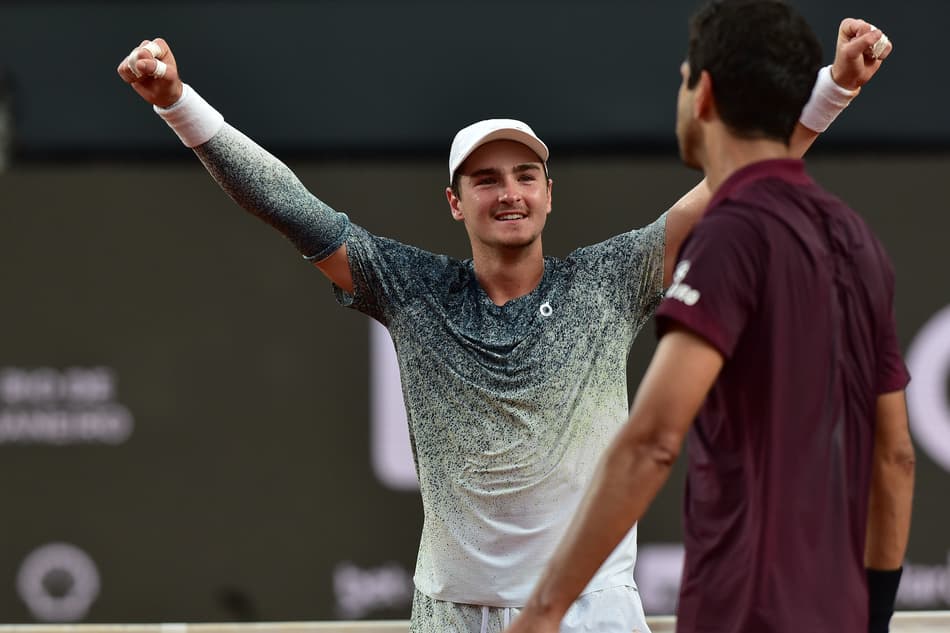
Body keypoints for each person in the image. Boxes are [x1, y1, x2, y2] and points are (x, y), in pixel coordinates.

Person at [116, 15, 890, 632]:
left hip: (593, 614)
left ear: (549, 193)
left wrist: (833, 90)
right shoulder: (409, 287)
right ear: (456, 202)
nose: (508, 193)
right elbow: (288, 206)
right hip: (453, 615)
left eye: (525, 176)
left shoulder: (609, 281)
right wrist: (178, 103)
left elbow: (737, 178)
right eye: (486, 180)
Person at [504, 2, 914, 633]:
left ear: (704, 95)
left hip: (744, 613)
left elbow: (653, 442)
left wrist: (543, 612)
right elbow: (895, 460)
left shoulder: (730, 236)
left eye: (683, 77)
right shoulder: (858, 239)